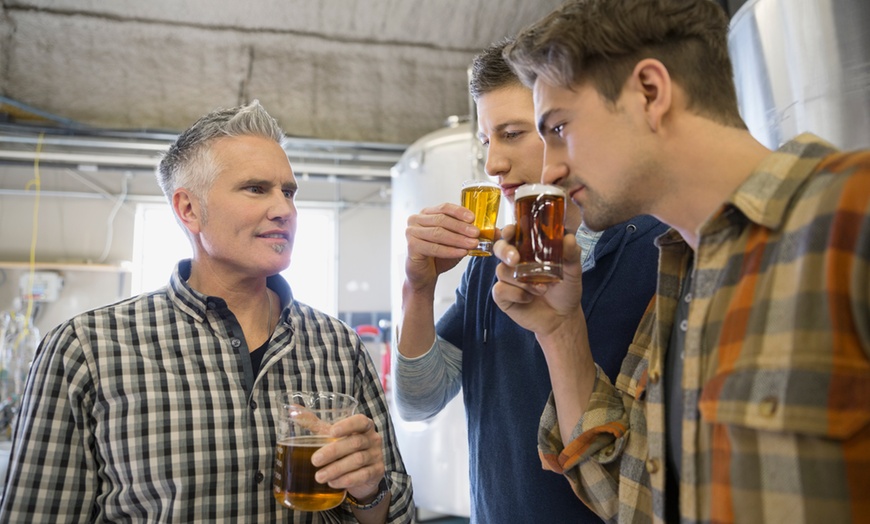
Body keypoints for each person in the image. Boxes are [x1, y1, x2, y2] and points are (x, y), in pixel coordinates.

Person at [490, 0, 870, 522]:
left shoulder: (853, 212)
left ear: (651, 91)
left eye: (558, 128)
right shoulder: (683, 275)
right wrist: (560, 331)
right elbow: (633, 502)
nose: (549, 170)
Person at [0, 101, 414, 523]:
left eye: (288, 192)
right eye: (257, 189)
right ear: (188, 209)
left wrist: (367, 490)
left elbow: (398, 514)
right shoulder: (87, 349)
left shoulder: (338, 344)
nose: (285, 210)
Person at [393, 39, 666, 523]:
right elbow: (420, 401)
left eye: (512, 133)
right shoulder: (488, 262)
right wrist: (417, 288)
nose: (493, 163)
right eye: (485, 141)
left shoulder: (659, 252)